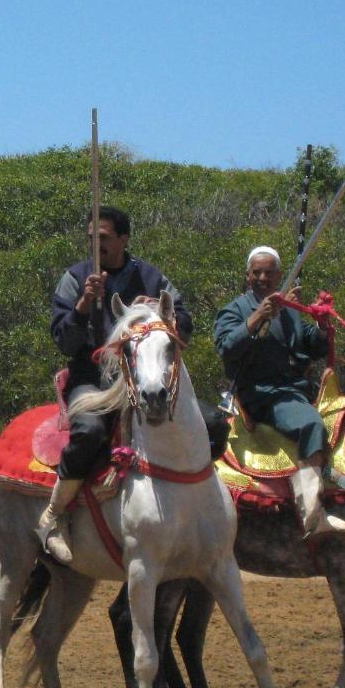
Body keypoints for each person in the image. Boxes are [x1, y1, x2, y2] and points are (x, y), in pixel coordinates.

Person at [42, 206, 229, 565]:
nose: (96, 244)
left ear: (123, 239)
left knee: (215, 425)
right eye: (91, 237)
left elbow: (185, 323)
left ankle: (200, 507)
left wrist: (160, 310)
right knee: (90, 431)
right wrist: (83, 305)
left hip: (146, 379)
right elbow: (64, 340)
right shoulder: (74, 277)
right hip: (94, 379)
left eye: (104, 237)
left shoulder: (151, 277)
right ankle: (55, 515)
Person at [214, 245, 345, 538]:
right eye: (257, 272)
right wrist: (257, 317)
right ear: (248, 275)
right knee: (310, 424)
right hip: (262, 393)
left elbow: (313, 345)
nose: (262, 277)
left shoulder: (288, 309)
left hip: (297, 390)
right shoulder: (235, 309)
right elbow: (227, 348)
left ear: (279, 276)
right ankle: (312, 513)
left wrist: (319, 323)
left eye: (269, 272)